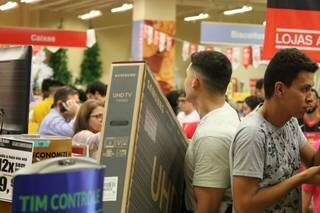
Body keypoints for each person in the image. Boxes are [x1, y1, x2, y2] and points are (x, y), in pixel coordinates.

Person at [230, 48, 320, 212]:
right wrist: (300, 178)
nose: (310, 97)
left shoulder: (291, 122)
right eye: (304, 89)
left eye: (311, 90)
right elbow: (244, 205)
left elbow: (314, 162)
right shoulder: (253, 133)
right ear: (280, 89)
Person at [184, 50, 240, 213]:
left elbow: (207, 208)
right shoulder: (226, 112)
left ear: (195, 82)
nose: (185, 81)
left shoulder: (212, 135)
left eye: (187, 75)